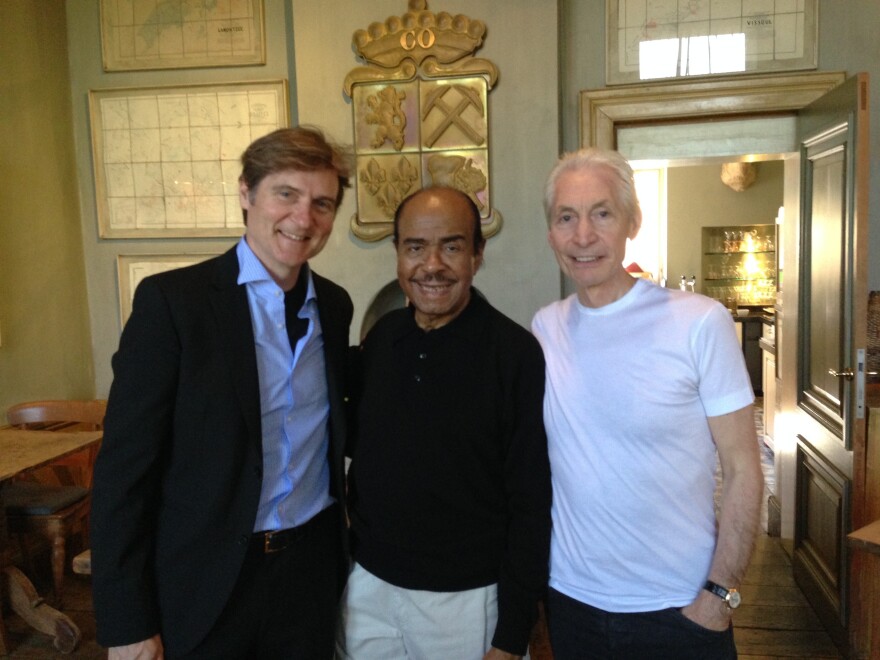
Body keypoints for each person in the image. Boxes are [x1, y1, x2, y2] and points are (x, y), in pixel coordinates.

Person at [91, 126, 354, 659]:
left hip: (308, 575)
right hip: (205, 580)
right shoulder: (173, 305)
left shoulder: (335, 304)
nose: (303, 218)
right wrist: (126, 622)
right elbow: (124, 474)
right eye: (286, 194)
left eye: (322, 203)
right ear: (245, 193)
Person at [531, 148, 764, 659]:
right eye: (565, 218)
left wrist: (719, 596)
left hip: (680, 611)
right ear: (550, 234)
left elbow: (745, 468)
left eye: (602, 213)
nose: (583, 236)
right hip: (573, 604)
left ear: (632, 221)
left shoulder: (699, 322)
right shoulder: (544, 329)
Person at [337, 186, 551, 660]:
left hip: (467, 602)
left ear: (478, 255)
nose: (431, 265)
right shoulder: (382, 340)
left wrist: (511, 634)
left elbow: (532, 503)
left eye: (452, 246)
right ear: (397, 253)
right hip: (368, 592)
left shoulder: (514, 355)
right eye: (415, 247)